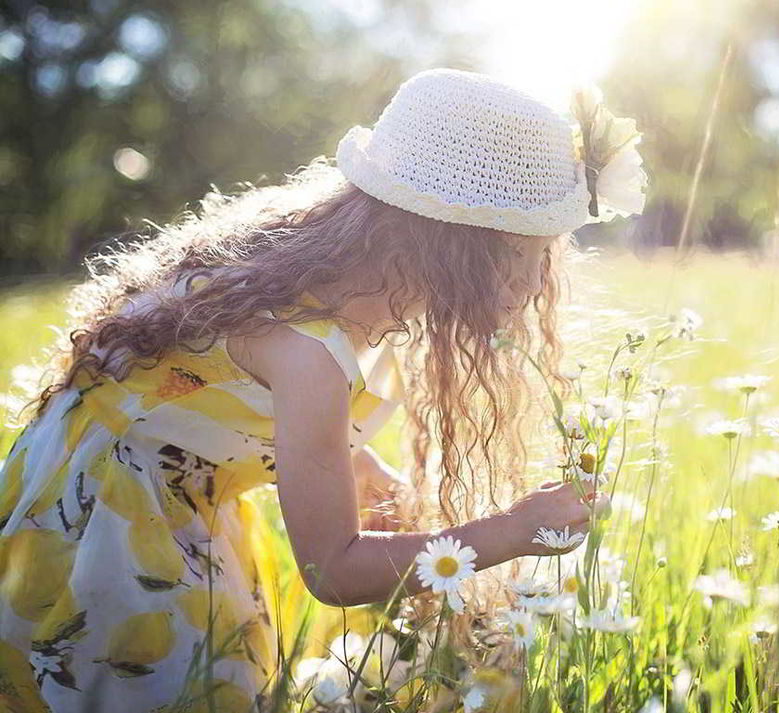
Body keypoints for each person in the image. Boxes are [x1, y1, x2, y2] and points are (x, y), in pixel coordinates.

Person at [0, 67, 611, 712]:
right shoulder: (309, 351)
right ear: (460, 250)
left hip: (109, 495)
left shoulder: (304, 271)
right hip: (115, 539)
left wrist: (354, 461)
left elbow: (195, 398)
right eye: (530, 256)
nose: (540, 284)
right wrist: (514, 530)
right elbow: (333, 571)